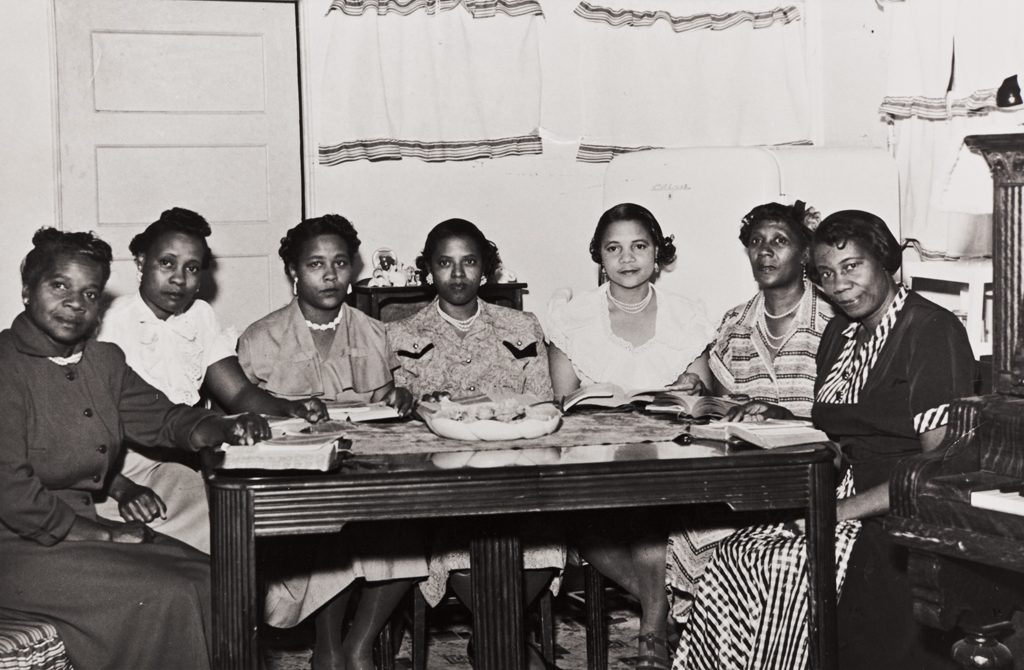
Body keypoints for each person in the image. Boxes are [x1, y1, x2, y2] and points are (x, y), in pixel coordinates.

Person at [672, 210, 974, 670]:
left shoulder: (930, 331)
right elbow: (835, 439)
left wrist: (838, 513)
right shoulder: (839, 333)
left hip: (898, 510)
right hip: (838, 493)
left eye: (852, 266)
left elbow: (940, 466)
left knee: (781, 568)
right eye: (827, 273)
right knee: (731, 555)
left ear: (886, 261)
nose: (838, 284)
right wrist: (780, 421)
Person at [0, 228, 268, 669]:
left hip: (75, 533)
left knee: (222, 578)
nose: (74, 303)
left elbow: (163, 419)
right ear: (27, 289)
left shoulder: (103, 361)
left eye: (90, 293)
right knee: (170, 595)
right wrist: (105, 533)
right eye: (59, 286)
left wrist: (222, 426)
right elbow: (11, 492)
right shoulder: (6, 367)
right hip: (17, 546)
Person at [237, 214, 420, 670]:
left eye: (340, 263)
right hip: (295, 478)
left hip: (365, 470)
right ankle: (328, 645)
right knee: (336, 523)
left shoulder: (373, 332)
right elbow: (239, 418)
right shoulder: (259, 338)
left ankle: (359, 643)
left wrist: (396, 397)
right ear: (293, 272)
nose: (330, 274)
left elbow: (382, 404)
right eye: (316, 263)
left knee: (408, 524)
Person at [95, 207, 326, 553]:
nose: (179, 279)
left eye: (192, 268)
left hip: (187, 458)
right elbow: (84, 432)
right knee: (230, 536)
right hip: (118, 469)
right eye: (166, 263)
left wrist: (290, 408)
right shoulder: (106, 322)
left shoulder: (200, 316)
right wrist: (121, 486)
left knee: (274, 525)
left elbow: (239, 393)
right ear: (141, 262)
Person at [544, 202, 714, 669]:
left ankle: (653, 624)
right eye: (613, 248)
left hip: (671, 455)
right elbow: (564, 403)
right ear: (598, 256)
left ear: (657, 252)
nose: (627, 258)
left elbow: (699, 399)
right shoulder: (571, 316)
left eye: (639, 246)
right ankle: (667, 610)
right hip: (594, 457)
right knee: (593, 523)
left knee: (652, 503)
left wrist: (693, 388)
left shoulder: (687, 315)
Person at [386, 218, 559, 669]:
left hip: (517, 470)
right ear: (428, 271)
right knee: (455, 546)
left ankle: (492, 640)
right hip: (443, 480)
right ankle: (509, 645)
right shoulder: (400, 335)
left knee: (545, 543)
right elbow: (402, 420)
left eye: (469, 263)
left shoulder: (521, 325)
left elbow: (542, 403)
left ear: (486, 270)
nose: (457, 275)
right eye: (445, 263)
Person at [665, 201, 833, 621]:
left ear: (805, 253)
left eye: (779, 241)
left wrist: (784, 417)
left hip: (813, 472)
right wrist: (697, 394)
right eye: (756, 242)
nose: (765, 252)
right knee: (687, 530)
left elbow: (846, 420)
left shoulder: (835, 320)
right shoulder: (735, 322)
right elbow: (722, 409)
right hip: (745, 475)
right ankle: (709, 637)